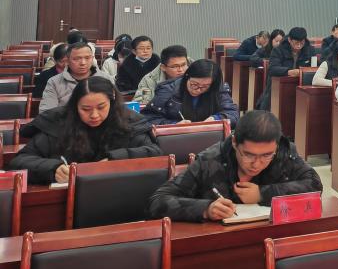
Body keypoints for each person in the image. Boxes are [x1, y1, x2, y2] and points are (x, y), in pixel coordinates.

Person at [147, 110, 322, 222]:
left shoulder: (284, 153)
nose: (257, 164)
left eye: (266, 155)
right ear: (234, 142)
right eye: (248, 155)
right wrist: (206, 209)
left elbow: (315, 185)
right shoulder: (210, 161)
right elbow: (158, 201)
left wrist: (263, 193)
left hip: (272, 236)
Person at [13, 76, 161, 184]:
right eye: (85, 109)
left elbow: (154, 153)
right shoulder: (58, 122)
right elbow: (19, 161)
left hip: (118, 194)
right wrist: (52, 169)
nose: (94, 115)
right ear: (75, 105)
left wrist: (115, 160)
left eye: (101, 107)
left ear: (112, 101)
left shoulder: (128, 121)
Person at [142, 59, 239, 126]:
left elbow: (233, 114)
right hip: (175, 138)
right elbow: (148, 118)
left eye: (205, 86)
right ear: (186, 77)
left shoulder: (218, 89)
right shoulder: (168, 90)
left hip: (211, 137)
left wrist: (216, 119)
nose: (198, 89)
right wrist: (173, 124)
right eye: (194, 84)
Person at [40, 42, 115, 112]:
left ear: (92, 58)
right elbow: (46, 113)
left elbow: (115, 108)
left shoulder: (106, 79)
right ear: (67, 61)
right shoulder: (54, 82)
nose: (83, 63)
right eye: (76, 59)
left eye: (87, 58)